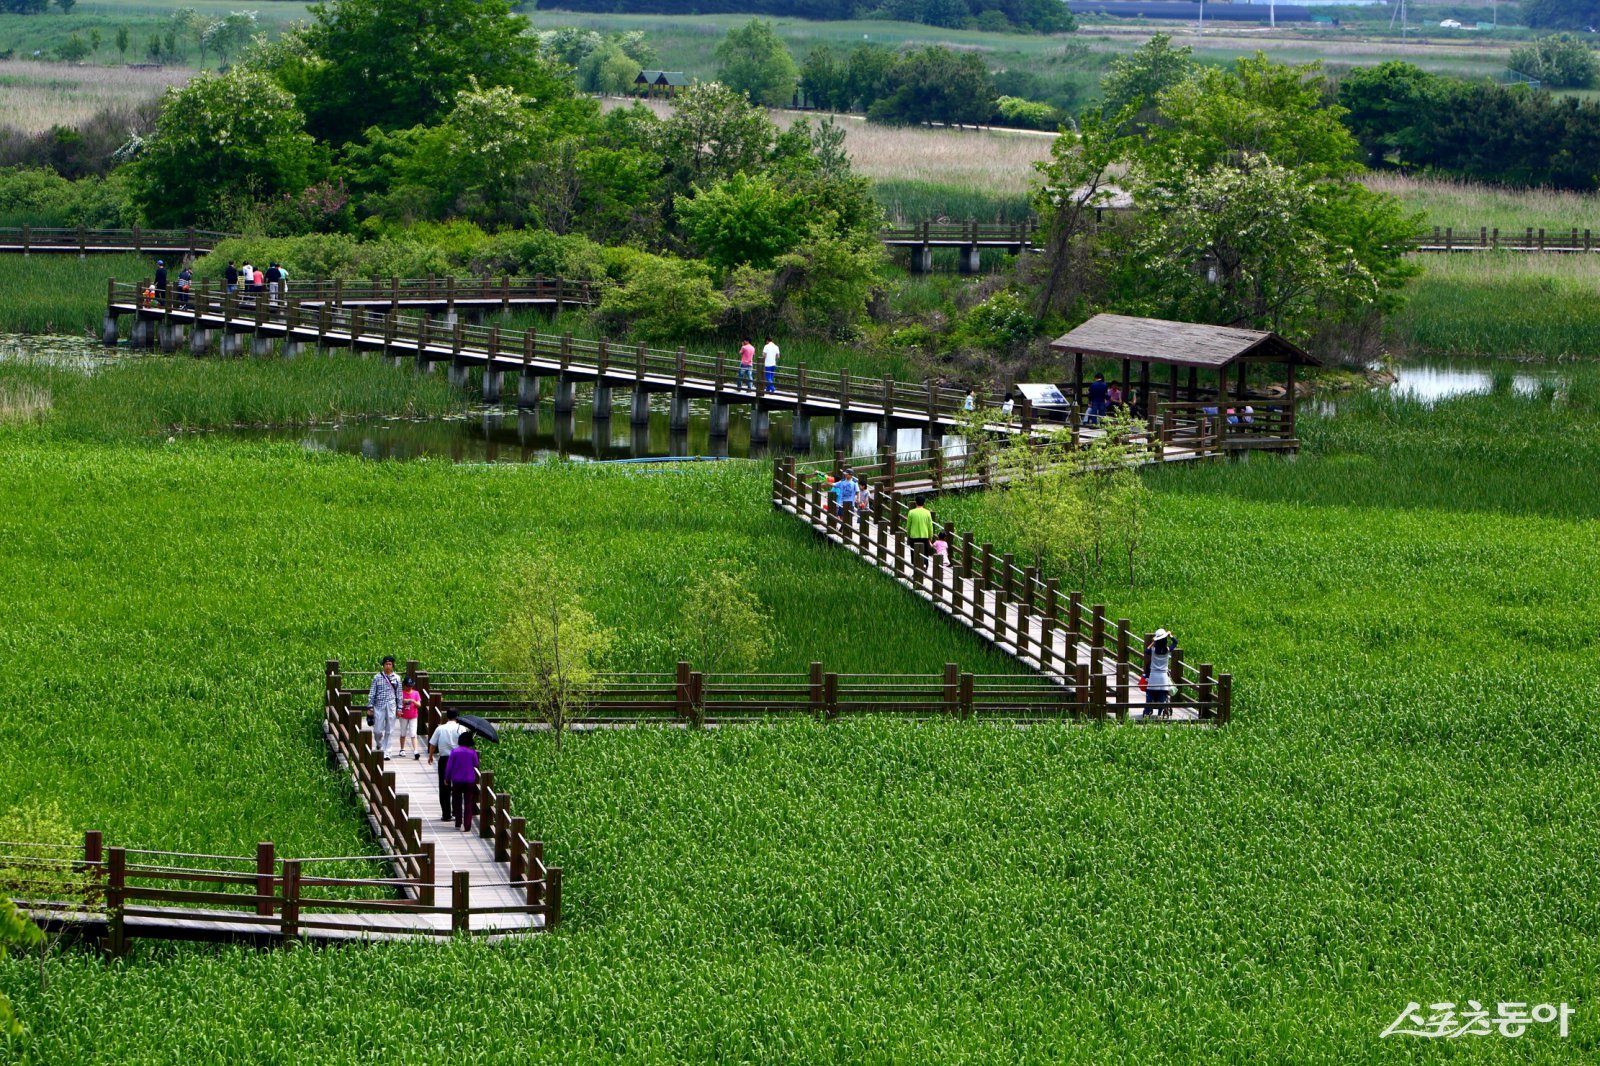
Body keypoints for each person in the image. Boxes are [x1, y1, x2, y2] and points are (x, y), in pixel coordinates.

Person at [427, 708, 467, 822]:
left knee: (444, 786)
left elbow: (433, 744)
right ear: (457, 716)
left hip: (445, 759)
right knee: (457, 786)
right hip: (459, 759)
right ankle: (456, 811)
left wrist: (430, 756)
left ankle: (446, 814)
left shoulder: (440, 728)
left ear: (447, 716)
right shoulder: (462, 728)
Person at [446, 732, 481, 832]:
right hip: (469, 780)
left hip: (457, 780)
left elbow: (449, 767)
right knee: (468, 803)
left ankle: (458, 822)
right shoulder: (472, 752)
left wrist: (447, 778)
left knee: (457, 801)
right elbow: (476, 764)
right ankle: (467, 825)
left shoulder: (454, 752)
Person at [368, 655, 401, 759]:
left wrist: (399, 708)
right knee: (377, 730)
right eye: (386, 664)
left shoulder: (397, 678)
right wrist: (370, 707)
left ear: (392, 665)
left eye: (390, 664)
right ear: (383, 665)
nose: (388, 666)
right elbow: (372, 692)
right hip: (379, 705)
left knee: (390, 729)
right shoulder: (377, 677)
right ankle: (379, 743)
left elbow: (399, 694)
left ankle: (387, 752)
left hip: (391, 705)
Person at [1142, 629, 1177, 719]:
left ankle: (1147, 711)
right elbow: (1175, 642)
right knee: (1163, 695)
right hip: (1163, 677)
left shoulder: (1153, 650)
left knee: (1150, 694)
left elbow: (1146, 651)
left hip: (1153, 676)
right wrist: (1170, 635)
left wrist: (1153, 642)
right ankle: (1160, 713)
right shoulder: (1168, 650)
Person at [396, 675, 422, 759]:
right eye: (407, 686)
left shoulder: (416, 693)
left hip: (413, 716)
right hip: (403, 716)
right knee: (403, 733)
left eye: (410, 686)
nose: (409, 688)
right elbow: (398, 704)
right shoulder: (401, 693)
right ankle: (402, 749)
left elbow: (419, 705)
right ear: (404, 685)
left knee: (413, 733)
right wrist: (403, 702)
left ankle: (415, 750)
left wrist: (412, 701)